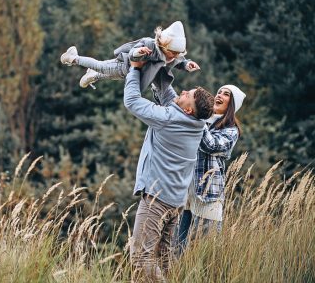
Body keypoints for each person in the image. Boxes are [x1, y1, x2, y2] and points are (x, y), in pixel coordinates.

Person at [123, 60, 214, 281]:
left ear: (188, 109)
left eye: (187, 94)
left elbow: (132, 101)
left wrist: (135, 68)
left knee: (141, 259)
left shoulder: (169, 119)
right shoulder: (196, 124)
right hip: (175, 202)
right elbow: (166, 91)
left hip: (157, 199)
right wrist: (163, 62)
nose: (182, 91)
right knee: (164, 259)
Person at [176, 84, 246, 254]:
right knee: (177, 251)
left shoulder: (231, 130)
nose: (220, 95)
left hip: (208, 198)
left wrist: (200, 117)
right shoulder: (200, 120)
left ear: (232, 104)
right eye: (219, 91)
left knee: (205, 253)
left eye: (226, 94)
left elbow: (211, 145)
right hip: (187, 196)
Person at [60, 21, 200, 91]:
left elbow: (179, 60)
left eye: (178, 54)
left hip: (131, 74)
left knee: (110, 75)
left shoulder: (173, 56)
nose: (175, 57)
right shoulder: (150, 45)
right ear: (164, 46)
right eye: (173, 53)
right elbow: (133, 53)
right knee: (100, 66)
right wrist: (138, 53)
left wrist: (187, 64)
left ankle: (93, 75)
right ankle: (74, 58)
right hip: (124, 65)